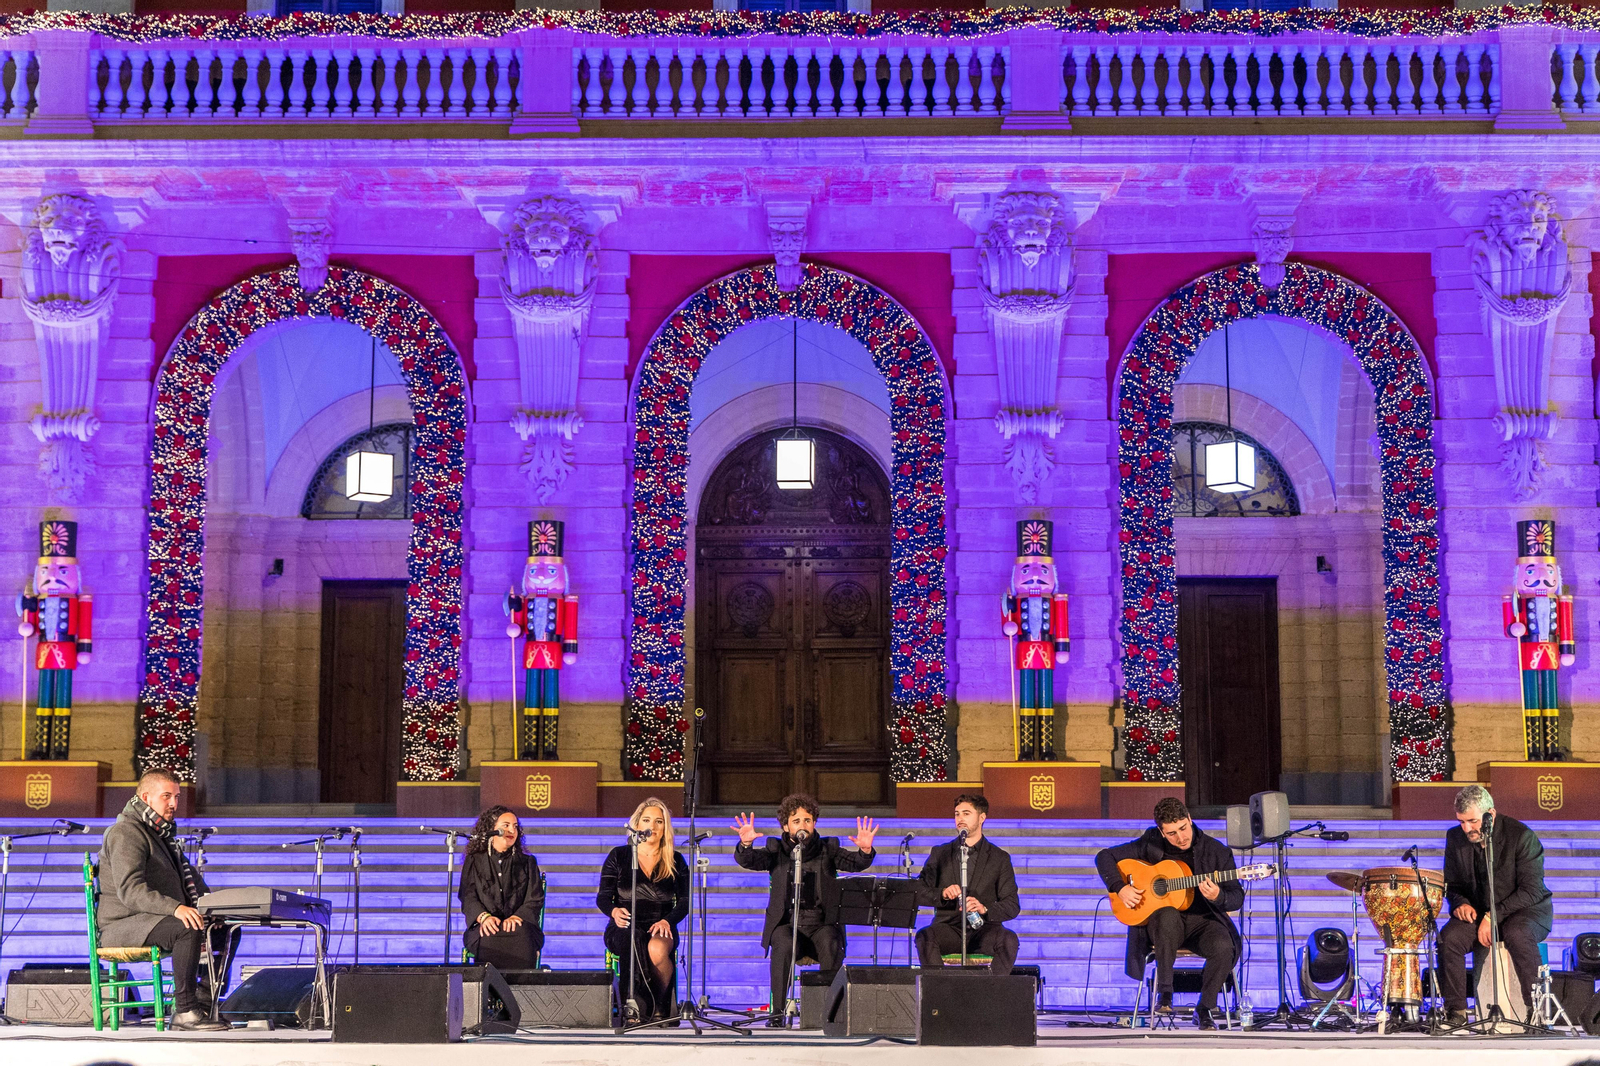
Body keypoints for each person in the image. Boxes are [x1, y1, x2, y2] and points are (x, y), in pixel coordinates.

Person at [96, 768, 235, 1031]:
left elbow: (195, 884)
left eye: (177, 796)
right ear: (146, 798)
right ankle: (184, 1011)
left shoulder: (163, 836)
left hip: (151, 919)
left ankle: (204, 1006)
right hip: (124, 924)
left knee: (223, 929)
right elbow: (130, 889)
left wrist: (215, 909)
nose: (174, 803)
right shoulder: (126, 832)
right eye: (167, 796)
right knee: (187, 927)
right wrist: (176, 908)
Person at [1094, 797, 1241, 1030]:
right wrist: (1119, 887)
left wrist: (1217, 896)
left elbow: (1236, 897)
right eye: (1171, 833)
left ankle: (1205, 1008)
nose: (1180, 837)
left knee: (1224, 946)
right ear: (1161, 832)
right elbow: (1104, 857)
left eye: (1183, 828)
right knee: (1167, 915)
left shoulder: (1217, 851)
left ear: (1190, 820)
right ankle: (1165, 993)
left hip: (1203, 922)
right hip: (1163, 927)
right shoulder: (1151, 842)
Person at [732, 794, 878, 1027]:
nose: (803, 825)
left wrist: (865, 851)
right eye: (796, 820)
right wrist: (746, 845)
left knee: (832, 941)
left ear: (814, 823)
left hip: (821, 924)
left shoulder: (828, 848)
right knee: (782, 942)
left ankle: (828, 1013)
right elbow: (749, 860)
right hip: (788, 925)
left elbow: (856, 863)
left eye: (807, 820)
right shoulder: (776, 849)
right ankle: (777, 1013)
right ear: (786, 825)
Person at [1438, 783, 1552, 1025]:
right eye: (1461, 822)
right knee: (1449, 938)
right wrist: (1459, 903)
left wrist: (1492, 916)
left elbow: (1531, 890)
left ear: (1490, 814)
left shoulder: (1521, 836)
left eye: (1472, 821)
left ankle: (1537, 1012)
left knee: (1518, 934)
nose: (1466, 828)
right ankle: (1456, 1012)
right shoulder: (1455, 837)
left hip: (1525, 910)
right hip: (1479, 911)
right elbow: (1453, 885)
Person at [597, 798, 691, 1023]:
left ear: (665, 827)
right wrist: (614, 911)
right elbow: (602, 897)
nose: (653, 826)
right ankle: (637, 1004)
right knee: (633, 939)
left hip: (661, 923)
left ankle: (661, 1005)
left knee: (657, 949)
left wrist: (668, 921)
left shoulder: (675, 860)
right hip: (624, 924)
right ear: (636, 825)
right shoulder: (619, 856)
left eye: (659, 821)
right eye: (647, 820)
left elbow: (686, 900)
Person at [914, 793, 1020, 974]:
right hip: (948, 928)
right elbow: (919, 890)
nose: (960, 819)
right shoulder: (941, 854)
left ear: (982, 818)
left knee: (1009, 940)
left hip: (984, 929)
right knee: (925, 936)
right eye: (957, 814)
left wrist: (984, 909)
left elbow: (1012, 905)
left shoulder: (999, 858)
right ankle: (941, 993)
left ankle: (989, 994)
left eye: (966, 813)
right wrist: (942, 893)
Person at [460, 805, 545, 972]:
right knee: (488, 934)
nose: (511, 830)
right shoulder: (474, 861)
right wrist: (483, 917)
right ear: (491, 829)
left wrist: (517, 917)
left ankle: (520, 995)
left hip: (520, 926)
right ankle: (487, 995)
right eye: (505, 825)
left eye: (515, 826)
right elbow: (468, 896)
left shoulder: (527, 862)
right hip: (484, 926)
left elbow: (534, 898)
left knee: (521, 936)